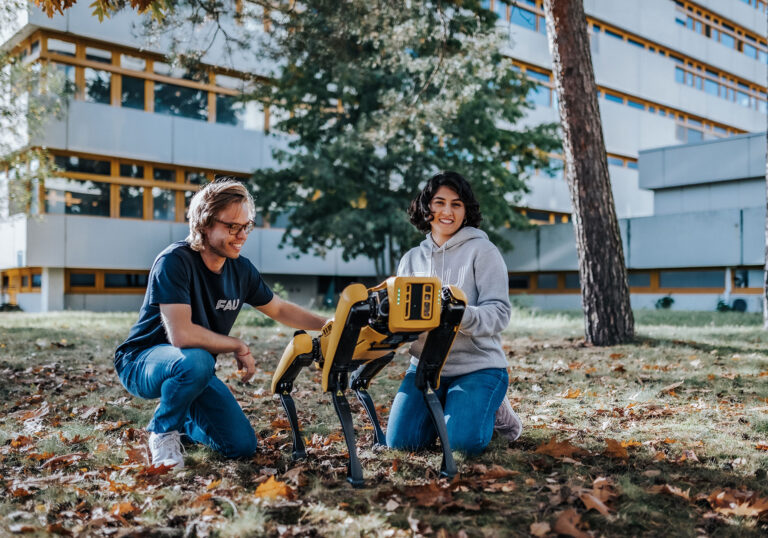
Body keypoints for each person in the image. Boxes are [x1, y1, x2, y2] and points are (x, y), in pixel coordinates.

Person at [114, 178, 327, 469]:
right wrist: (236, 345)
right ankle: (162, 431)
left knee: (240, 446)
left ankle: (184, 426)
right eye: (232, 227)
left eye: (246, 226)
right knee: (197, 360)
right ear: (205, 224)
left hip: (192, 370)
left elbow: (278, 308)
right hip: (143, 362)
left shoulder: (241, 270)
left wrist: (329, 322)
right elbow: (181, 335)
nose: (241, 235)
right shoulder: (174, 261)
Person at [386, 171, 522, 456]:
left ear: (465, 211)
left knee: (462, 445)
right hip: (424, 368)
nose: (447, 211)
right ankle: (454, 412)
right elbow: (402, 320)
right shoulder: (411, 259)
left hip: (478, 366)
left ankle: (493, 415)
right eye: (439, 202)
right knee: (401, 443)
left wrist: (458, 315)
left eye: (456, 204)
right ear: (427, 207)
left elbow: (499, 313)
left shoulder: (483, 251)